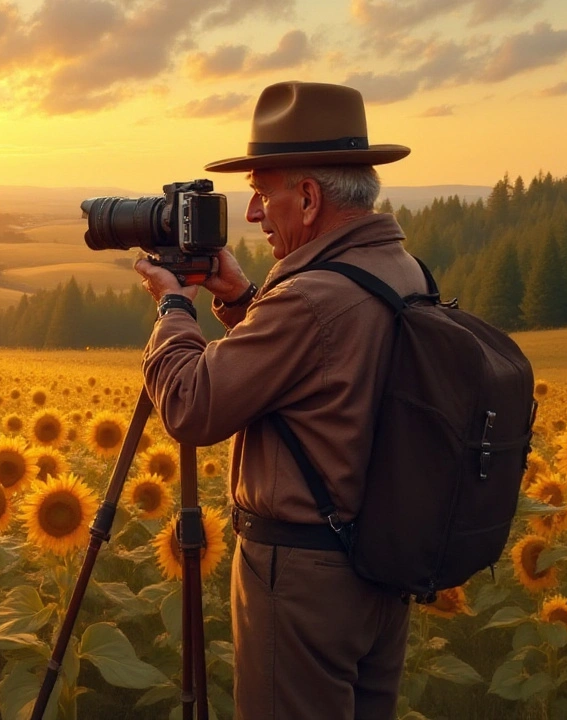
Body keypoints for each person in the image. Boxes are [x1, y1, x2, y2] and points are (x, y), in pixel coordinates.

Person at [134, 81, 427, 719]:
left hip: (302, 581)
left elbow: (191, 407)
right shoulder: (400, 269)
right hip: (378, 564)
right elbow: (325, 381)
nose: (254, 215)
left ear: (310, 196)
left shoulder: (312, 297)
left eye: (264, 194)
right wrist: (244, 303)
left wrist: (173, 306)